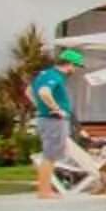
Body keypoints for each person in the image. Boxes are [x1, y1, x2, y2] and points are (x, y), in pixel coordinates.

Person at [28, 50, 85, 200]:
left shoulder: (44, 74)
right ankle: (44, 190)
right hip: (53, 120)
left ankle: (45, 189)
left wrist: (41, 106)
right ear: (70, 64)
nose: (76, 70)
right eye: (76, 67)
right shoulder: (55, 77)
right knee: (50, 156)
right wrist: (56, 109)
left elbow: (29, 91)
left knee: (51, 154)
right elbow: (44, 92)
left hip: (46, 118)